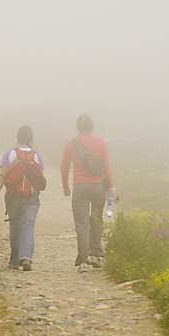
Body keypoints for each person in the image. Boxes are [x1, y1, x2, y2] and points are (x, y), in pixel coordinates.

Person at [60, 114, 114, 271]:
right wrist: (110, 186)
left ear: (78, 126)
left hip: (80, 187)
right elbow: (107, 167)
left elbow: (64, 167)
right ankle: (96, 255)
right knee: (97, 220)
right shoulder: (101, 143)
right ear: (92, 126)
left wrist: (65, 186)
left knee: (82, 224)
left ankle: (83, 260)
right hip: (98, 186)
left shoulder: (71, 144)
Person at [0, 125, 46, 271]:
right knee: (28, 226)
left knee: (15, 226)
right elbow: (39, 178)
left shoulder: (9, 154)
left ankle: (14, 260)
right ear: (31, 137)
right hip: (31, 196)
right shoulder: (37, 156)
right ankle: (26, 258)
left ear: (17, 137)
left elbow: (3, 175)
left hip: (13, 196)